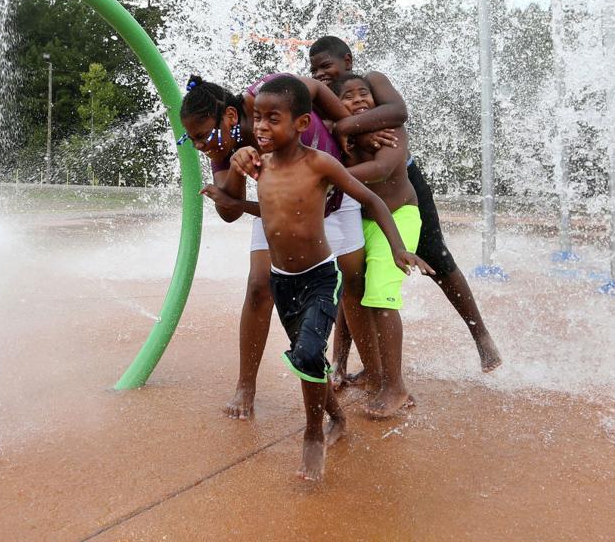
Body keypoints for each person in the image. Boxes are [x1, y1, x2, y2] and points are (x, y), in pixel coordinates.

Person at [206, 75, 430, 481]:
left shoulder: (320, 164)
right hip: (282, 280)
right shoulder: (263, 166)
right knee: (306, 359)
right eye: (258, 119)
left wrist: (398, 247)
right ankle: (337, 417)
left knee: (310, 354)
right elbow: (271, 211)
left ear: (301, 125)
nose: (260, 128)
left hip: (320, 279)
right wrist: (233, 197)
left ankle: (313, 433)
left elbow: (373, 199)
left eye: (273, 119)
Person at [179, 73, 389, 419]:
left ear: (230, 116)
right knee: (259, 286)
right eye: (194, 141)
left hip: (334, 200)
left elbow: (315, 88)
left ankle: (377, 376)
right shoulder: (223, 147)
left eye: (205, 136)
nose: (203, 146)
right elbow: (228, 212)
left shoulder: (266, 97)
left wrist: (352, 128)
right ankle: (246, 386)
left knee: (354, 284)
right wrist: (234, 167)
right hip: (278, 211)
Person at [308, 35, 502, 374]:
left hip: (401, 187)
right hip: (357, 193)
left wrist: (346, 127)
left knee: (438, 259)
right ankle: (344, 360)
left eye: (326, 66)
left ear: (348, 61)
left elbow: (398, 112)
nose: (321, 74)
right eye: (314, 69)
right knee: (353, 275)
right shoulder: (323, 97)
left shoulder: (373, 81)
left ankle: (480, 335)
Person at [332, 73, 424, 418]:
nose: (358, 100)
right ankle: (371, 373)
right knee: (354, 293)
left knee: (382, 295)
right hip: (363, 220)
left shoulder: (388, 128)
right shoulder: (345, 134)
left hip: (398, 217)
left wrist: (324, 172)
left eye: (363, 94)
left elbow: (384, 169)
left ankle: (396, 387)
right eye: (348, 97)